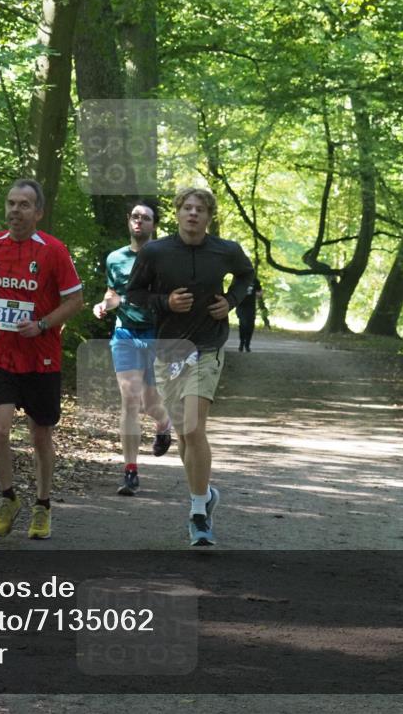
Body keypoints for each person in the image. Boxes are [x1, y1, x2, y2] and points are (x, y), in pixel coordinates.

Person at [127, 187, 254, 546]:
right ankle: (206, 493)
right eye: (187, 208)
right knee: (185, 433)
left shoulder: (225, 250)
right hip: (169, 350)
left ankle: (198, 512)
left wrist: (230, 300)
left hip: (208, 347)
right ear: (178, 213)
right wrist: (165, 302)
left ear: (209, 216)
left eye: (200, 209)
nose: (193, 214)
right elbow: (134, 295)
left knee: (194, 428)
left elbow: (246, 276)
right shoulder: (156, 251)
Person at [0, 179, 84, 540]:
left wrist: (43, 324)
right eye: (11, 203)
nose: (15, 211)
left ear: (38, 212)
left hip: (41, 358)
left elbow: (76, 301)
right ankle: (8, 497)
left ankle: (42, 504)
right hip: (1, 353)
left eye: (23, 205)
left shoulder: (53, 250)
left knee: (39, 435)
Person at [93, 201, 173, 496]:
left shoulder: (164, 258)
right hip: (124, 334)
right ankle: (130, 471)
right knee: (130, 400)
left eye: (146, 218)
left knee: (150, 404)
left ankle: (164, 423)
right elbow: (112, 293)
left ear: (154, 225)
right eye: (135, 216)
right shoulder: (115, 258)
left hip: (156, 335)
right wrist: (102, 305)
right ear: (129, 221)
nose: (139, 221)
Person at [236, 275, 263, 352]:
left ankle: (247, 344)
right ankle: (241, 343)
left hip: (251, 307)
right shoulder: (239, 278)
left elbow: (260, 291)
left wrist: (259, 294)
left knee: (250, 326)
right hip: (241, 306)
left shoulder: (255, 280)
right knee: (243, 325)